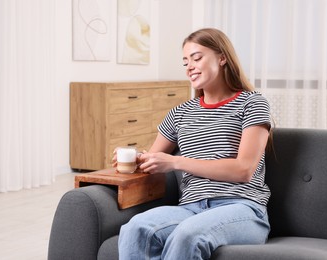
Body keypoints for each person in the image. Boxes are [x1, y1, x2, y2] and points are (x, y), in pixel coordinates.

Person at [115, 28, 272, 260]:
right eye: (185, 62)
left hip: (243, 208)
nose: (189, 66)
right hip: (190, 208)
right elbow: (152, 160)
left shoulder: (252, 103)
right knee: (135, 229)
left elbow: (244, 170)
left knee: (187, 234)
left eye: (197, 58)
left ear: (222, 57)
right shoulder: (180, 113)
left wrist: (177, 162)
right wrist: (133, 158)